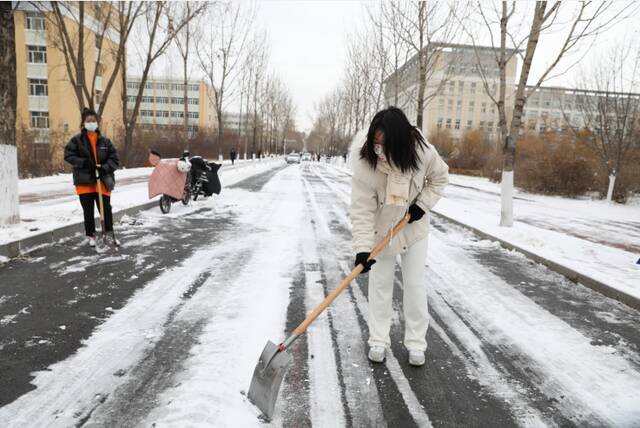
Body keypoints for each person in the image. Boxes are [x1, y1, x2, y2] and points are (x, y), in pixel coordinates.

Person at [350, 107, 449, 367]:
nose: (379, 150)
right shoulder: (365, 162)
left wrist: (421, 206)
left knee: (415, 284)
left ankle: (416, 342)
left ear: (400, 141)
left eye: (385, 145)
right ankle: (378, 340)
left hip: (412, 228)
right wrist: (362, 249)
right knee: (380, 285)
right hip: (381, 230)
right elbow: (362, 209)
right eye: (376, 144)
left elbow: (440, 178)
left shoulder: (422, 152)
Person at [64, 108, 119, 247]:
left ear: (97, 122)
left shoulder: (105, 141)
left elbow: (114, 159)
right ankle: (91, 236)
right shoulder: (77, 140)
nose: (91, 123)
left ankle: (109, 234)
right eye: (88, 121)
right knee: (88, 211)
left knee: (105, 209)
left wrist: (104, 168)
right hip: (84, 181)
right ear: (83, 123)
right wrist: (84, 163)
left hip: (102, 180)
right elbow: (68, 155)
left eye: (94, 120)